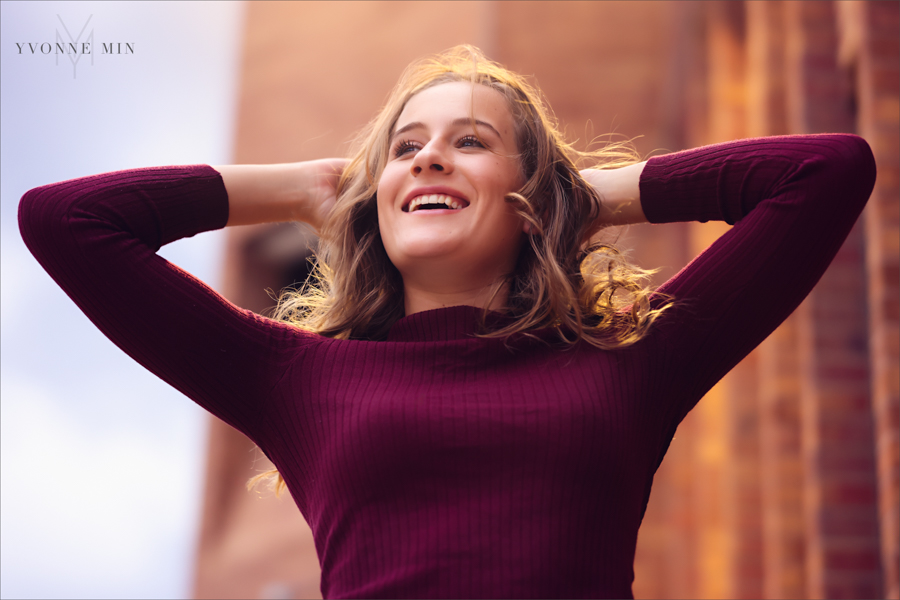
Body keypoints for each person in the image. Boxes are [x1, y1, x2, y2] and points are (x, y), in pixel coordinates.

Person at [19, 46, 875, 599]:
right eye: (402, 149)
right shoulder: (295, 378)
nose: (428, 156)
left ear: (531, 191)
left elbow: (825, 173)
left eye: (470, 142)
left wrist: (581, 197)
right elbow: (65, 222)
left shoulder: (632, 362)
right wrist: (303, 187)